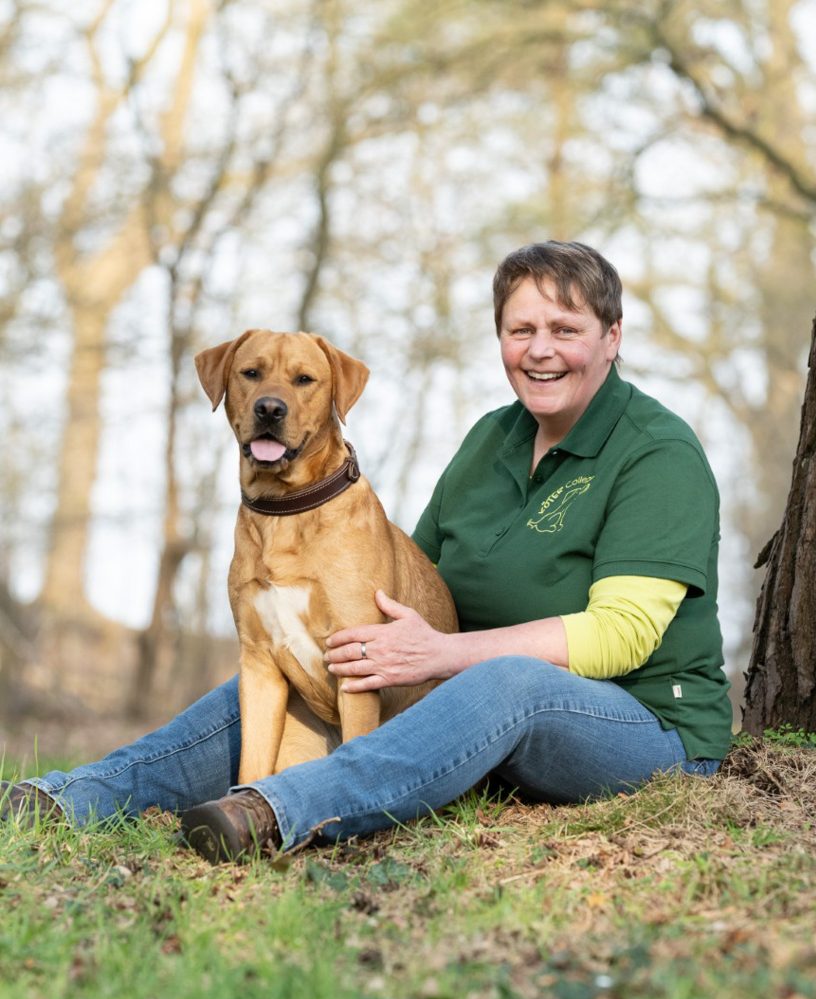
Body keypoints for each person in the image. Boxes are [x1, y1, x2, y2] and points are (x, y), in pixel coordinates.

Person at [1, 241, 733, 863]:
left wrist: (448, 656)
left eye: (565, 328)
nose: (539, 349)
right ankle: (66, 801)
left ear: (611, 336)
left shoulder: (654, 453)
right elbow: (401, 579)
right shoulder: (492, 439)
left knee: (509, 679)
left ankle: (273, 814)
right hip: (463, 706)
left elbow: (621, 634)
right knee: (293, 665)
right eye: (520, 329)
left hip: (644, 728)